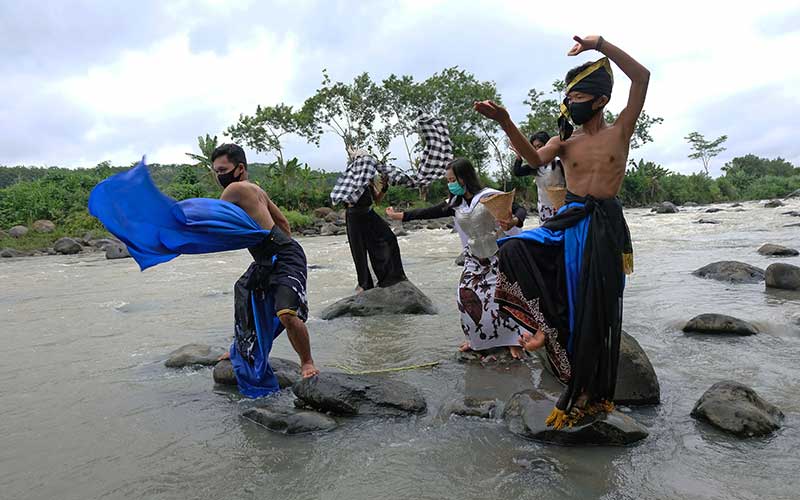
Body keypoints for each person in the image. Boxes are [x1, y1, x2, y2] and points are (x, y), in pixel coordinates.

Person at [474, 35, 648, 429]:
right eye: (568, 96)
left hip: (604, 231)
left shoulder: (619, 130)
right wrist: (505, 121)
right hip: (567, 225)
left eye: (579, 95)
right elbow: (533, 158)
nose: (571, 103)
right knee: (513, 247)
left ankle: (588, 395)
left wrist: (601, 45)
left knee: (595, 311)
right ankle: (544, 328)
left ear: (600, 100)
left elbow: (641, 77)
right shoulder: (565, 141)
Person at [386, 158, 528, 358]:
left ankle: (514, 341)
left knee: (502, 297)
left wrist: (514, 220)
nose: (449, 183)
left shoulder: (488, 196)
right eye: (448, 180)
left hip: (497, 254)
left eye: (452, 179)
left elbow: (519, 209)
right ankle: (476, 340)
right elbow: (428, 212)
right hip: (473, 257)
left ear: (464, 178)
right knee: (465, 296)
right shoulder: (455, 203)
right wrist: (400, 216)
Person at [212, 144, 319, 380]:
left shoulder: (235, 189)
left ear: (239, 168)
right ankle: (241, 348)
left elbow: (215, 221)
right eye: (216, 172)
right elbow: (282, 222)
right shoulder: (256, 189)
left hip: (283, 255)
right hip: (273, 255)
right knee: (244, 292)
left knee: (286, 313)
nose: (219, 176)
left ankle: (307, 362)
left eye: (222, 170)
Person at [339, 150, 407, 293]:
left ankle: (392, 276)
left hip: (369, 213)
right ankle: (364, 284)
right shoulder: (350, 178)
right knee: (359, 252)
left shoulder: (369, 179)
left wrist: (385, 187)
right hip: (354, 217)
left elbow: (376, 199)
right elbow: (346, 200)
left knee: (389, 238)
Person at [511, 131, 566, 223]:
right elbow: (518, 172)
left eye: (540, 146)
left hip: (561, 206)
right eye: (535, 148)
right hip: (543, 208)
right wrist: (519, 158)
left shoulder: (559, 163)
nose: (538, 150)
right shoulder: (535, 166)